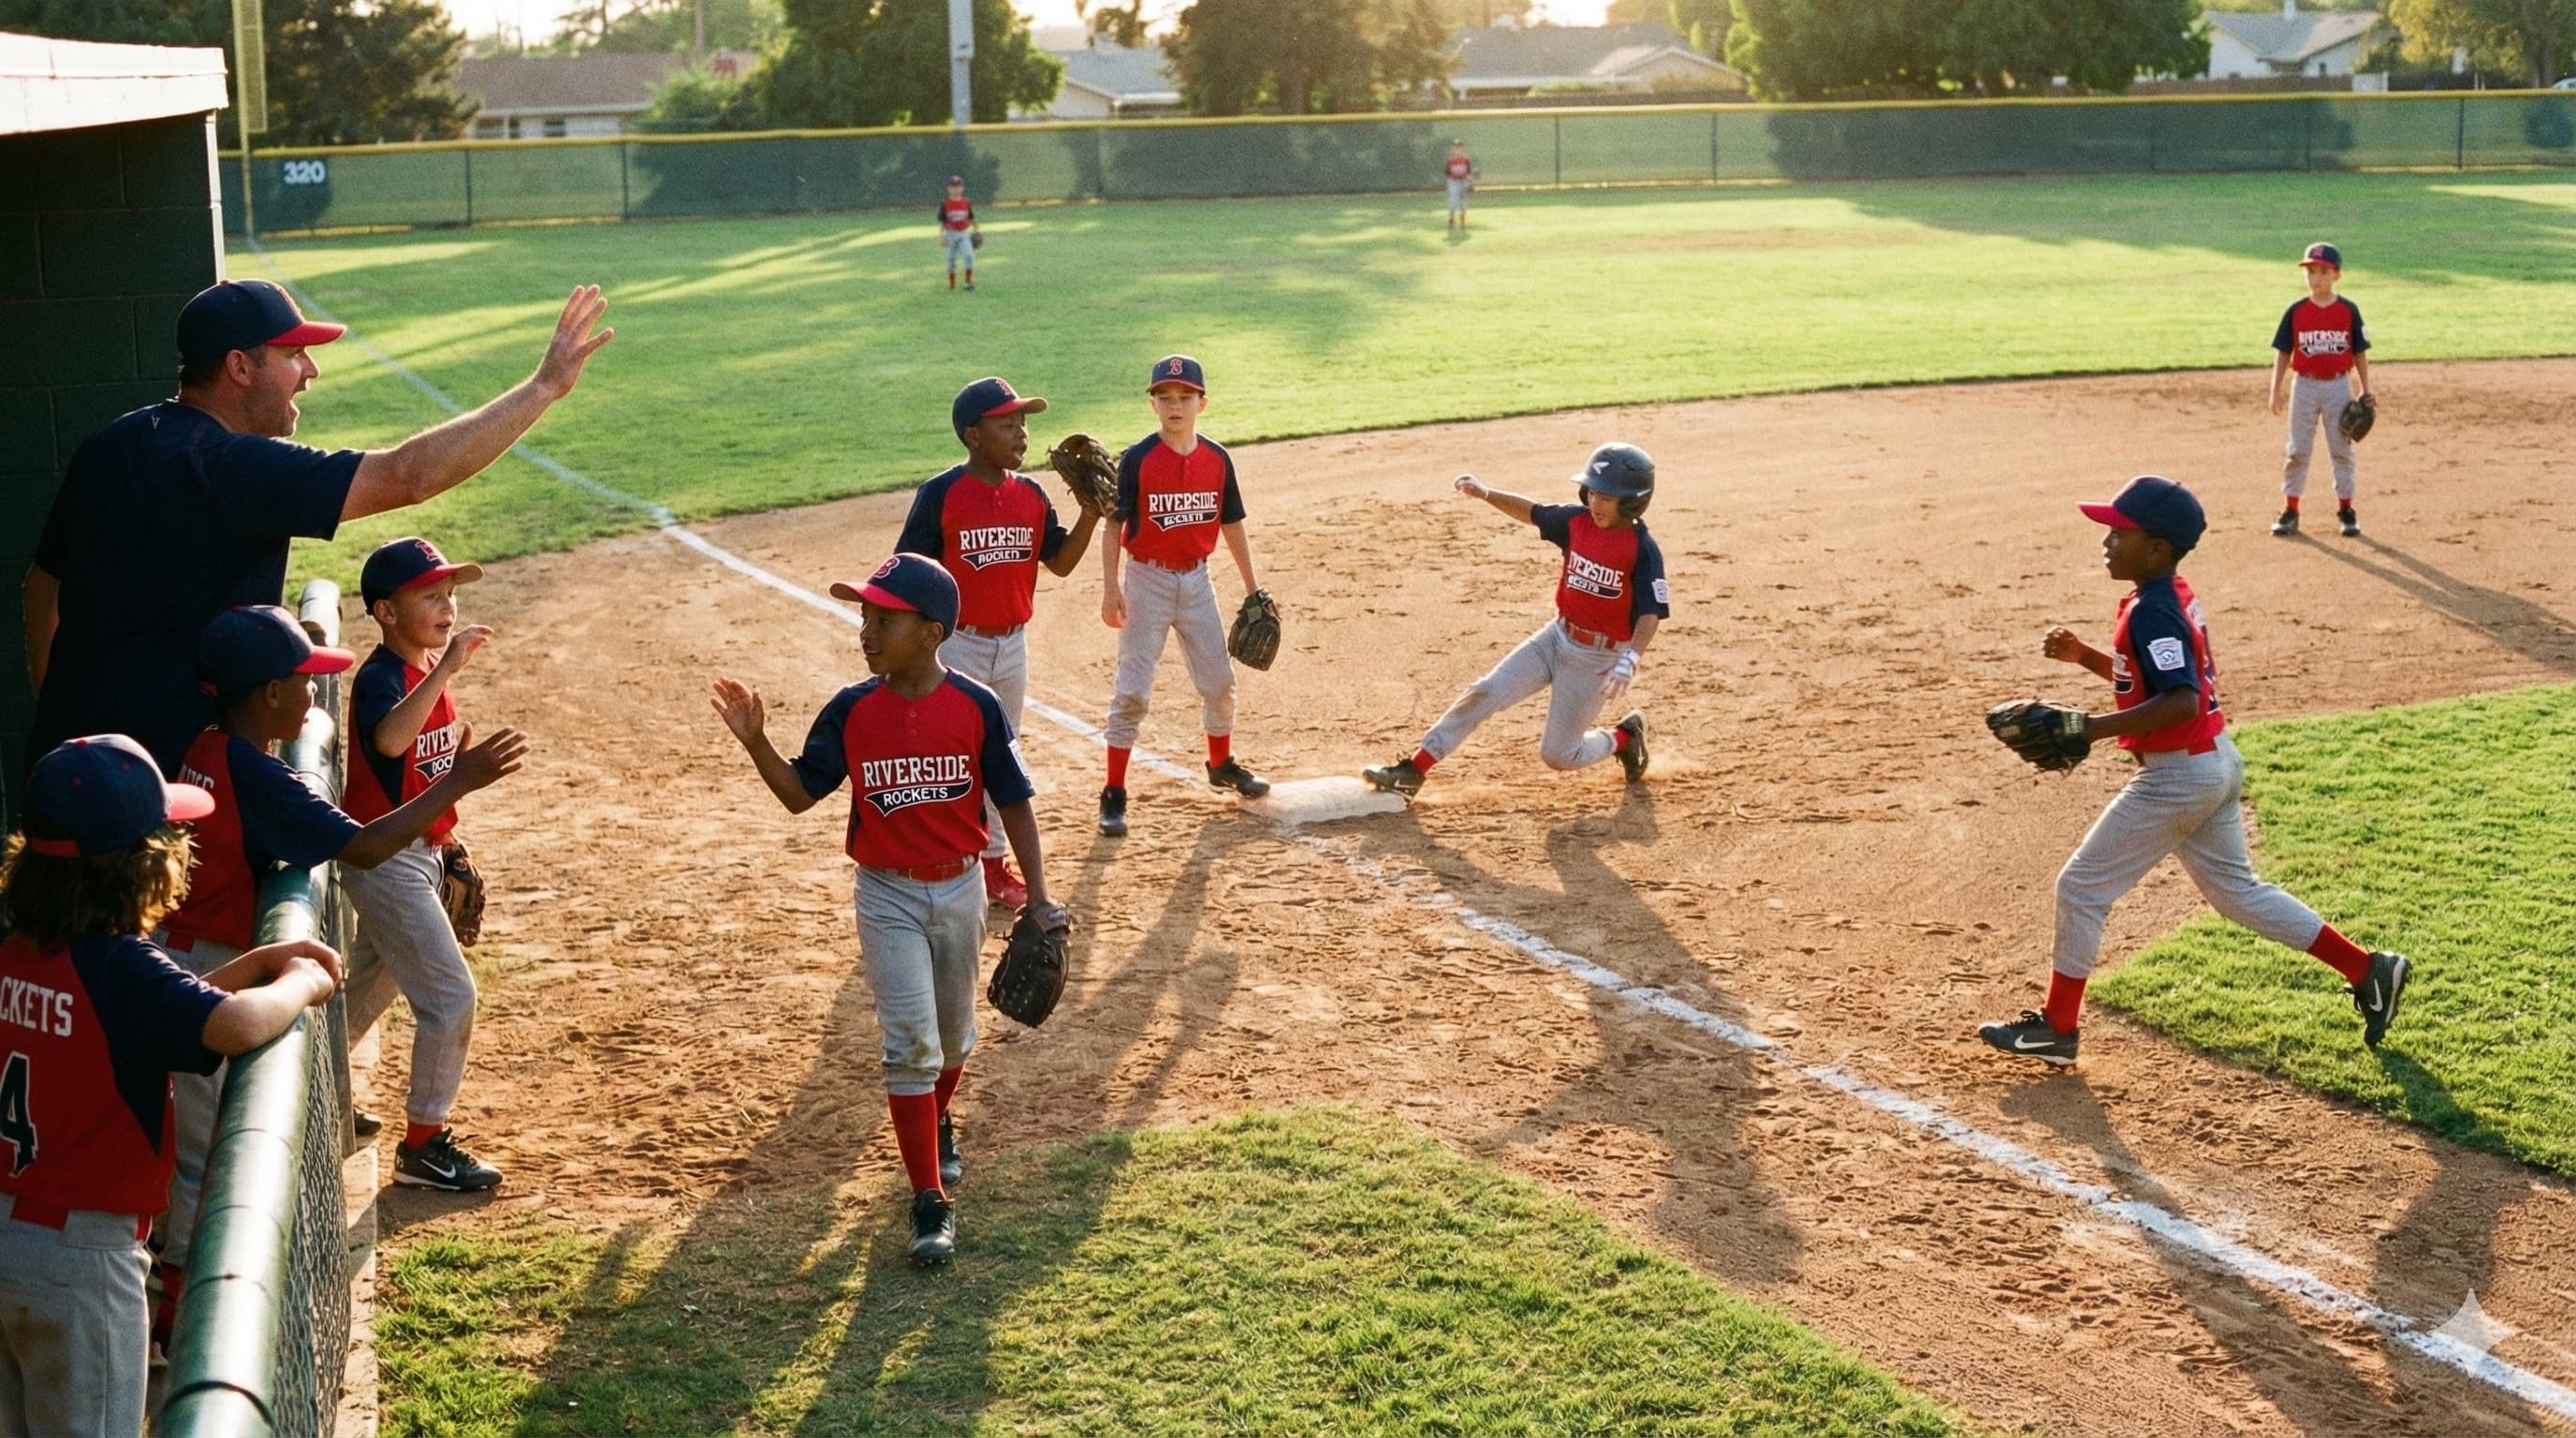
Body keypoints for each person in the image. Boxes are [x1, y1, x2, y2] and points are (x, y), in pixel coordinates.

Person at [22, 278, 609, 775]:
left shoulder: (115, 441)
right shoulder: (234, 468)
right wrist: (543, 388)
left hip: (66, 768)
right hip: (171, 785)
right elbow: (410, 477)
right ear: (239, 367)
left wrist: (61, 701)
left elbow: (43, 583)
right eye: (293, 354)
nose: (312, 370)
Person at [154, 606, 525, 1299]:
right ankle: (182, 1300)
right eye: (303, 682)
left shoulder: (209, 745)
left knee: (195, 1146)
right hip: (202, 965)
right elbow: (364, 845)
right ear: (268, 694)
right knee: (205, 1158)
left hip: (186, 950)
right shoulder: (256, 775)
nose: (313, 695)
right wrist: (458, 781)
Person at [1977, 476, 2411, 1067]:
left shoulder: (2154, 610)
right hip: (2212, 763)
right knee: (2238, 894)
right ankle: (2370, 970)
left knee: (2081, 888)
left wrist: (2088, 729)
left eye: (2119, 532)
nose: (2106, 540)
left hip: (2178, 777)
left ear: (2156, 547)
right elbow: (2153, 683)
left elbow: (2179, 699)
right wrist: (2085, 659)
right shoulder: (2166, 593)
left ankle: (2058, 1028)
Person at [710, 553, 1059, 1267]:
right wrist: (757, 744)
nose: (866, 630)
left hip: (960, 887)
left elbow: (1014, 804)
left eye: (883, 618)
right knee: (911, 1045)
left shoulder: (976, 707)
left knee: (955, 1042)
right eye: (864, 616)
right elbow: (802, 793)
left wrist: (1042, 896)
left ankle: (935, 1123)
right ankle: (929, 1200)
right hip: (887, 894)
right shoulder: (851, 709)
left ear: (932, 632)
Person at [0, 735, 339, 1438]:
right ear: (140, 869)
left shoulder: (18, 952)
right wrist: (302, 981)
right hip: (81, 1265)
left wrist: (253, 962)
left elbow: (137, 1024)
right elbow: (237, 1027)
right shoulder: (120, 967)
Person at [339, 538, 519, 1191]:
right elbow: (389, 740)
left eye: (450, 595)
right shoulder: (385, 676)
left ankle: (324, 1096)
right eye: (430, 596)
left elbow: (427, 774)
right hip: (384, 858)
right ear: (386, 612)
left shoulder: (418, 672)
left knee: (370, 989)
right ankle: (424, 1145)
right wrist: (446, 669)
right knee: (449, 997)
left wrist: (448, 841)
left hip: (414, 853)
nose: (447, 607)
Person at [894, 377, 1102, 909]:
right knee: (944, 758)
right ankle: (931, 861)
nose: (1022, 433)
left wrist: (1091, 514)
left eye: (1024, 422)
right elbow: (906, 575)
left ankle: (992, 867)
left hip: (1012, 648)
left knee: (999, 757)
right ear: (973, 435)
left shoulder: (1030, 496)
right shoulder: (940, 495)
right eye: (1007, 424)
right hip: (955, 646)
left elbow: (1059, 562)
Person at [1364, 444, 1664, 798]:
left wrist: (1629, 659)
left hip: (1598, 660)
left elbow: (1650, 613)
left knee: (1558, 755)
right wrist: (1486, 493)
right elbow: (1533, 512)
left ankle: (1625, 738)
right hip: (1555, 638)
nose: (1596, 504)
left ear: (1631, 501)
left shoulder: (1641, 548)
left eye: (1607, 498)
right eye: (1593, 493)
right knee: (1486, 691)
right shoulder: (1575, 522)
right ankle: (1414, 770)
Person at [1097, 355, 1271, 840]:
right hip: (1146, 582)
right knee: (1133, 691)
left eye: (1185, 397)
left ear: (1202, 403)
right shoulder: (1138, 459)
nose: (1175, 406)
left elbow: (1231, 523)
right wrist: (1112, 588)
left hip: (1197, 581)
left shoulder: (1216, 459)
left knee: (1219, 681)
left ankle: (1221, 764)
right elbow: (1114, 527)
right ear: (1152, 404)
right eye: (1165, 397)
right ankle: (1114, 792)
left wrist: (1252, 585)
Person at [2267, 242, 2373, 538]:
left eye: (2323, 272)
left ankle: (2346, 510)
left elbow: (2359, 353)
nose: (2316, 278)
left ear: (2336, 275)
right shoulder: (2297, 311)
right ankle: (2290, 510)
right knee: (2297, 449)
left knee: (2341, 449)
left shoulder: (2348, 311)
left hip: (2339, 385)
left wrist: (2366, 389)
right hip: (2304, 385)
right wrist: (2275, 390)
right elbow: (2283, 352)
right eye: (2311, 272)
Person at [937, 175, 981, 292]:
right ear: (949, 189)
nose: (956, 189)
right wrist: (941, 237)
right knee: (950, 260)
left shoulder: (966, 202)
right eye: (953, 187)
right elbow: (943, 222)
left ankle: (968, 282)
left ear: (962, 188)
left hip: (963, 233)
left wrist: (976, 230)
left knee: (969, 256)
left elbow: (971, 217)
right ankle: (952, 285)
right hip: (950, 233)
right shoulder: (945, 204)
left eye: (958, 186)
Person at [1444, 139, 1477, 229]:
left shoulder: (1466, 159)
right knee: (1453, 201)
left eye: (1459, 147)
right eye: (1455, 147)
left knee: (1463, 202)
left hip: (1464, 181)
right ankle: (1451, 218)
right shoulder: (1450, 160)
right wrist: (1449, 186)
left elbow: (1469, 173)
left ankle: (1462, 220)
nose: (1457, 149)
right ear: (1452, 149)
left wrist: (1470, 183)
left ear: (1462, 148)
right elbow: (1447, 174)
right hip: (1454, 182)